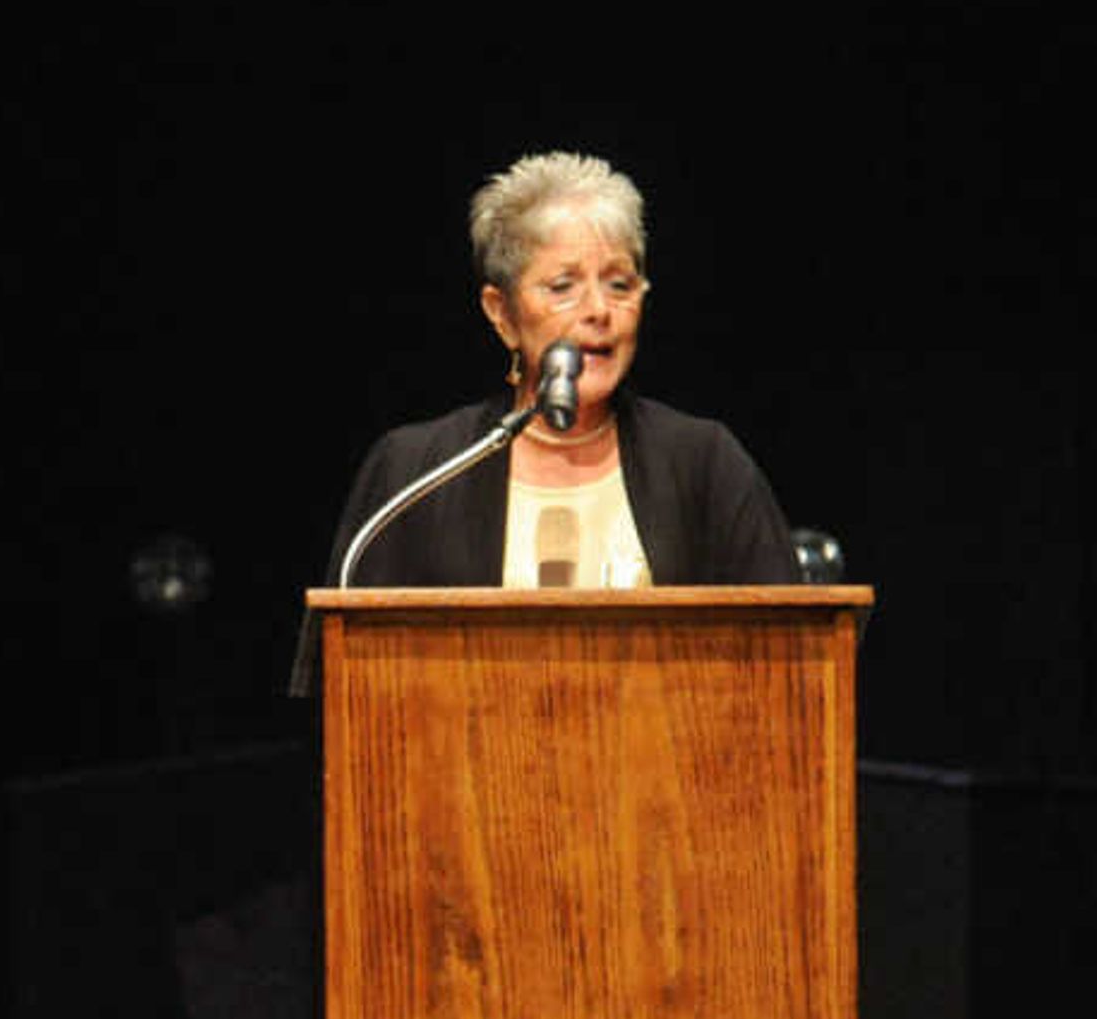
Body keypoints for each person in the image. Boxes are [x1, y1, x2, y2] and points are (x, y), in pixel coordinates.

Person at [294, 150, 796, 687]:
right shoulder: (417, 471)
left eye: (619, 284)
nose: (598, 310)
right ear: (502, 314)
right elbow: (350, 687)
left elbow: (789, 662)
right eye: (563, 287)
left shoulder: (704, 463)